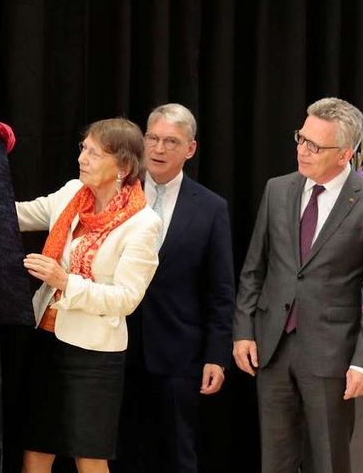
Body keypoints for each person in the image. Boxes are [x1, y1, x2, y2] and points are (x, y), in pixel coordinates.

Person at [233, 97, 363, 472]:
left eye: (314, 146)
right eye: (301, 138)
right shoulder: (278, 189)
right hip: (272, 347)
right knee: (275, 461)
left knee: (328, 460)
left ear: (344, 155)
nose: (302, 150)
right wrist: (243, 329)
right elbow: (255, 267)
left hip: (330, 353)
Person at [16, 118, 162, 473]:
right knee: (36, 449)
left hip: (94, 355)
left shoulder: (143, 223)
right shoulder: (70, 194)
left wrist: (65, 281)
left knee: (89, 457)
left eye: (95, 154)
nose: (83, 158)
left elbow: (126, 298)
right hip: (48, 339)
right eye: (84, 149)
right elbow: (17, 215)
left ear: (123, 166)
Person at [113, 104, 234, 473]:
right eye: (152, 138)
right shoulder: (117, 193)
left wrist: (216, 354)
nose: (158, 149)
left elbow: (220, 289)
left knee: (177, 452)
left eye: (170, 141)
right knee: (117, 449)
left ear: (190, 149)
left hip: (179, 353)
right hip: (116, 344)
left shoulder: (211, 207)